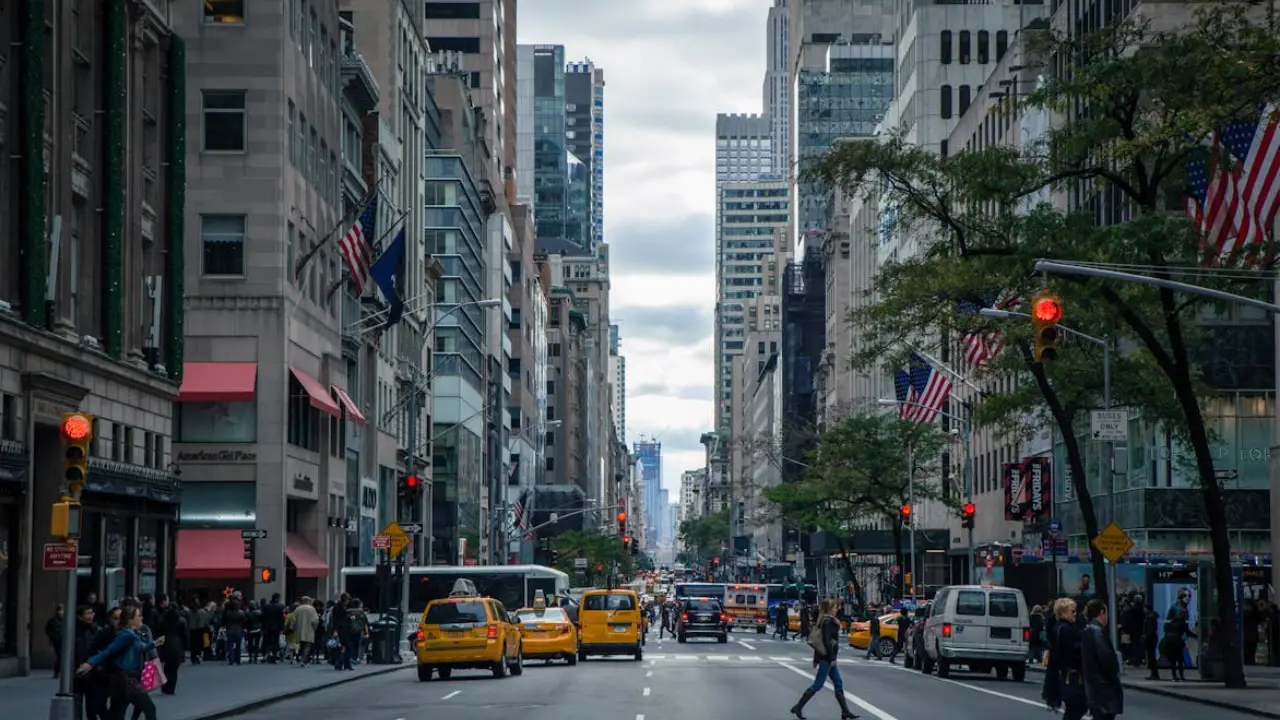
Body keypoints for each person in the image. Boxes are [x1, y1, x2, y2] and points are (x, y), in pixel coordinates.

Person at [78, 606, 163, 720]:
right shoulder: (126, 635)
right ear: (131, 620)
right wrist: (90, 663)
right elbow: (108, 651)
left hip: (123, 680)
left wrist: (154, 643)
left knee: (118, 714)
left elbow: (141, 647)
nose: (141, 618)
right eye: (138, 616)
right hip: (126, 680)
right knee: (149, 708)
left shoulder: (133, 635)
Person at [788, 597, 857, 720]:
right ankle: (798, 707)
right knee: (818, 684)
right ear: (830, 609)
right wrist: (832, 658)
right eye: (835, 607)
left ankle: (845, 711)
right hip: (827, 658)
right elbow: (827, 641)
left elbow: (820, 642)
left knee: (838, 682)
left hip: (825, 657)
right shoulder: (829, 622)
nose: (837, 609)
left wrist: (816, 658)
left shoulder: (823, 620)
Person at [1043, 598, 1087, 720]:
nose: (1075, 614)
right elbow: (1074, 652)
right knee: (1076, 709)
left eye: (1075, 611)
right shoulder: (1065, 629)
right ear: (1062, 613)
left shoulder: (1059, 627)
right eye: (1072, 611)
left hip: (1065, 676)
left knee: (1075, 710)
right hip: (1071, 677)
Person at [1080, 598, 1123, 720]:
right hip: (1104, 687)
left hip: (1094, 687)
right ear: (1102, 612)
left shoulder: (1088, 630)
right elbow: (1106, 659)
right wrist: (1114, 673)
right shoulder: (1097, 632)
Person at [154, 595, 186, 695]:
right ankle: (171, 688)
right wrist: (184, 647)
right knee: (174, 669)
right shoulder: (181, 621)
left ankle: (165, 686)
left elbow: (158, 632)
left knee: (166, 668)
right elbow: (185, 635)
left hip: (165, 645)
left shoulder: (164, 621)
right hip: (177, 645)